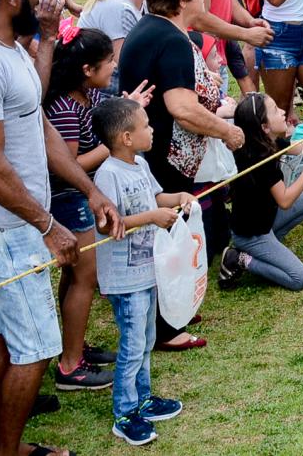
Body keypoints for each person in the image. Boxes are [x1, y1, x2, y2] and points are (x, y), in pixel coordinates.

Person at [0, 0, 121, 456]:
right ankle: (5, 451)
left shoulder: (12, 51)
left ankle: (5, 446)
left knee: (2, 336)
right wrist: (49, 225)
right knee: (37, 349)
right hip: (3, 228)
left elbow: (34, 117)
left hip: (19, 224)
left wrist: (89, 189)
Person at [117, 0, 244, 354]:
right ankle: (165, 326)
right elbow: (181, 107)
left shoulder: (155, 29)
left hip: (157, 152)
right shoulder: (170, 40)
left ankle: (172, 311)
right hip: (162, 157)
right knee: (167, 239)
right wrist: (227, 130)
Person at [44, 29, 152, 393]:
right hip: (70, 198)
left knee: (75, 276)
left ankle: (73, 345)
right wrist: (114, 144)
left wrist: (128, 109)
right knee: (85, 277)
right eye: (109, 62)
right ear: (88, 69)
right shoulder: (64, 109)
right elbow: (67, 163)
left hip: (82, 196)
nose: (115, 66)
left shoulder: (88, 95)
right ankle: (71, 365)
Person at [90, 97, 190, 447]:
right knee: (132, 345)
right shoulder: (108, 174)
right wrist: (150, 218)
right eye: (146, 125)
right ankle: (125, 412)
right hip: (124, 278)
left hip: (148, 273)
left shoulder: (140, 165)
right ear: (126, 137)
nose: (152, 129)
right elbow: (107, 226)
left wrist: (178, 197)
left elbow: (156, 198)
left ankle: (144, 400)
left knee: (145, 340)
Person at [219, 92, 303, 291]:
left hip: (266, 219)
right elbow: (284, 200)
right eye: (276, 110)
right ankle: (238, 258)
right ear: (264, 127)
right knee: (300, 278)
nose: (283, 112)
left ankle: (270, 246)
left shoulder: (269, 142)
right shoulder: (259, 158)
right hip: (252, 234)